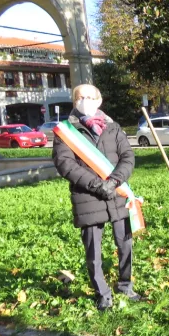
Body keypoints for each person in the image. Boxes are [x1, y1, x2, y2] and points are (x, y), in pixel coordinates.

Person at [52, 84, 141, 311]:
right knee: (94, 251)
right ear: (74, 101)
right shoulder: (65, 131)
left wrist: (113, 182)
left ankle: (125, 286)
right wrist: (96, 185)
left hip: (117, 193)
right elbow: (65, 164)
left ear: (99, 100)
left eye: (91, 97)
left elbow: (127, 156)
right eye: (81, 97)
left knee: (125, 244)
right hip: (87, 196)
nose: (86, 100)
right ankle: (102, 293)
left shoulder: (113, 127)